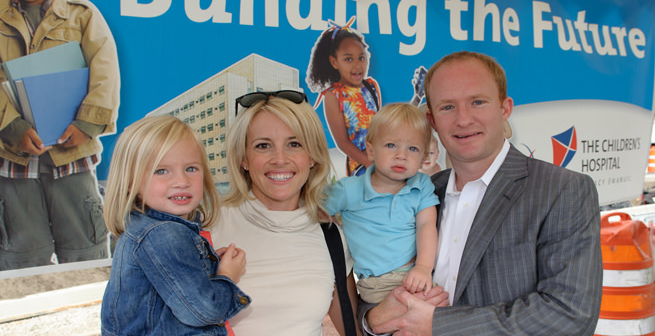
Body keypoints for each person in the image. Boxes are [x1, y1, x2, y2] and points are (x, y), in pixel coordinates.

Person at [363, 51, 603, 335]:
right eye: (448, 107)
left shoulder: (562, 190)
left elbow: (569, 313)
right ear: (432, 120)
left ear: (505, 108)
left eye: (477, 102)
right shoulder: (417, 193)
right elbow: (377, 284)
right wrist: (373, 321)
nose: (463, 119)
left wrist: (437, 325)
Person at [210, 90, 361, 336]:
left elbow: (353, 329)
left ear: (312, 156)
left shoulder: (332, 237)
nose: (280, 159)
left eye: (294, 144)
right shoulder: (209, 226)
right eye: (263, 146)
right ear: (243, 158)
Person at [0, 0, 120, 269]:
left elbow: (104, 70)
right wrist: (11, 126)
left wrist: (88, 123)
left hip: (72, 156)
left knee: (86, 248)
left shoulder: (82, 15)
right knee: (20, 253)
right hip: (12, 163)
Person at [100, 116, 250, 335]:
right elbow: (203, 310)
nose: (181, 181)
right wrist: (227, 277)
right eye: (161, 171)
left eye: (191, 168)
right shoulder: (163, 234)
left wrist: (207, 267)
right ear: (131, 181)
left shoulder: (148, 229)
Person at [324, 103, 439, 304]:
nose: (401, 155)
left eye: (413, 149)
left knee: (442, 311)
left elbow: (426, 225)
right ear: (371, 150)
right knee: (407, 317)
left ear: (423, 159)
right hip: (378, 282)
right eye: (391, 145)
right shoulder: (349, 190)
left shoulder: (421, 185)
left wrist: (423, 267)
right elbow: (314, 209)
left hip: (417, 273)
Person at [307, 17, 381, 177]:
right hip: (360, 168)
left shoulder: (372, 86)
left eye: (361, 57)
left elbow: (382, 126)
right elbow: (343, 142)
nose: (357, 65)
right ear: (334, 62)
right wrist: (369, 164)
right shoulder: (333, 95)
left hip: (383, 162)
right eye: (348, 59)